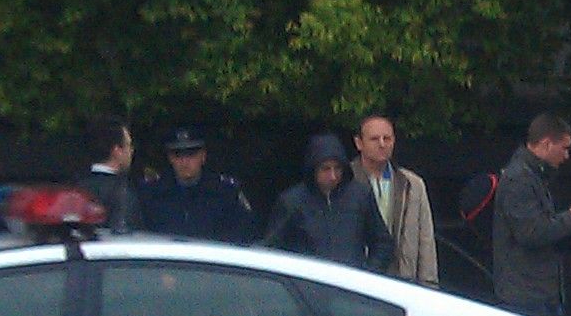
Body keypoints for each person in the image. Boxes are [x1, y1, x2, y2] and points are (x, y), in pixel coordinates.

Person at [495, 113, 571, 316]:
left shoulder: (534, 175)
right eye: (564, 148)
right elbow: (530, 233)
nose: (566, 156)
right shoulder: (519, 179)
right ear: (547, 144)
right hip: (524, 294)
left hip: (538, 288)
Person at [263, 132, 395, 271]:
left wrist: (368, 274)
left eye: (337, 168)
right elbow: (272, 246)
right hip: (309, 285)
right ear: (313, 169)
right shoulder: (292, 202)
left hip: (352, 284)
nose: (333, 176)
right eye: (326, 169)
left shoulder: (360, 196)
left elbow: (383, 242)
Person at [353, 112, 438, 286]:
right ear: (359, 143)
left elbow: (426, 240)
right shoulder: (346, 182)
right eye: (375, 139)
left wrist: (429, 285)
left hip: (403, 280)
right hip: (360, 281)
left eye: (387, 138)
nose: (382, 144)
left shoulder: (413, 184)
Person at [138, 128, 253, 243]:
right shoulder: (153, 193)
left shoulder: (225, 192)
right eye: (178, 155)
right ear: (170, 158)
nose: (184, 162)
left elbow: (242, 235)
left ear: (203, 156)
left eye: (191, 154)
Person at [77, 120, 138, 232]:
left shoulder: (76, 189)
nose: (131, 151)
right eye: (128, 145)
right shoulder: (122, 192)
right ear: (117, 150)